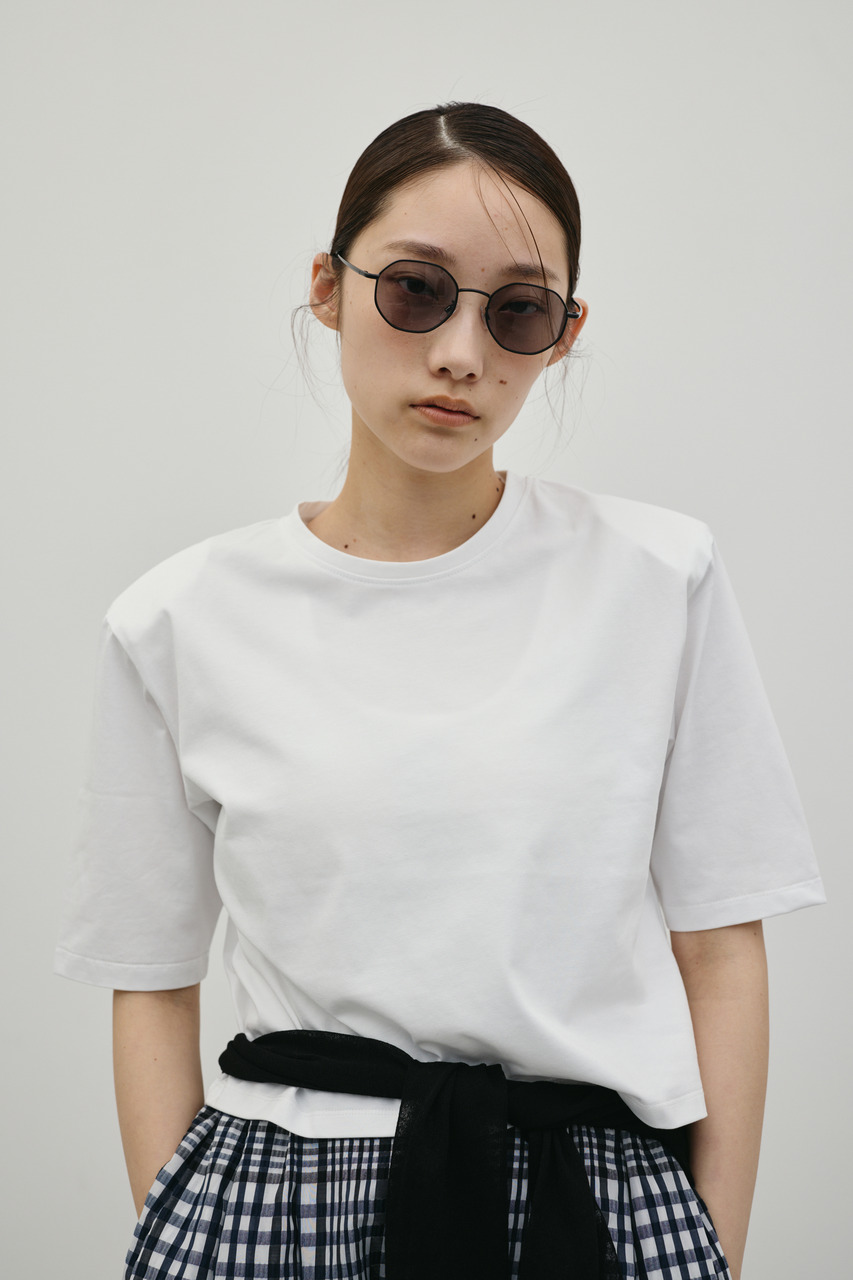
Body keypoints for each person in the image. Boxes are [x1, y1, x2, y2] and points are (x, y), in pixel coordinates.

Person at [54, 102, 825, 1280]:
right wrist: (184, 1226)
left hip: (592, 1200)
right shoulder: (179, 617)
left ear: (563, 334)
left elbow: (720, 945)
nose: (463, 352)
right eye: (416, 290)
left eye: (518, 310)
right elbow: (151, 980)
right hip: (276, 1198)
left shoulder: (657, 578)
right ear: (327, 286)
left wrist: (708, 1245)